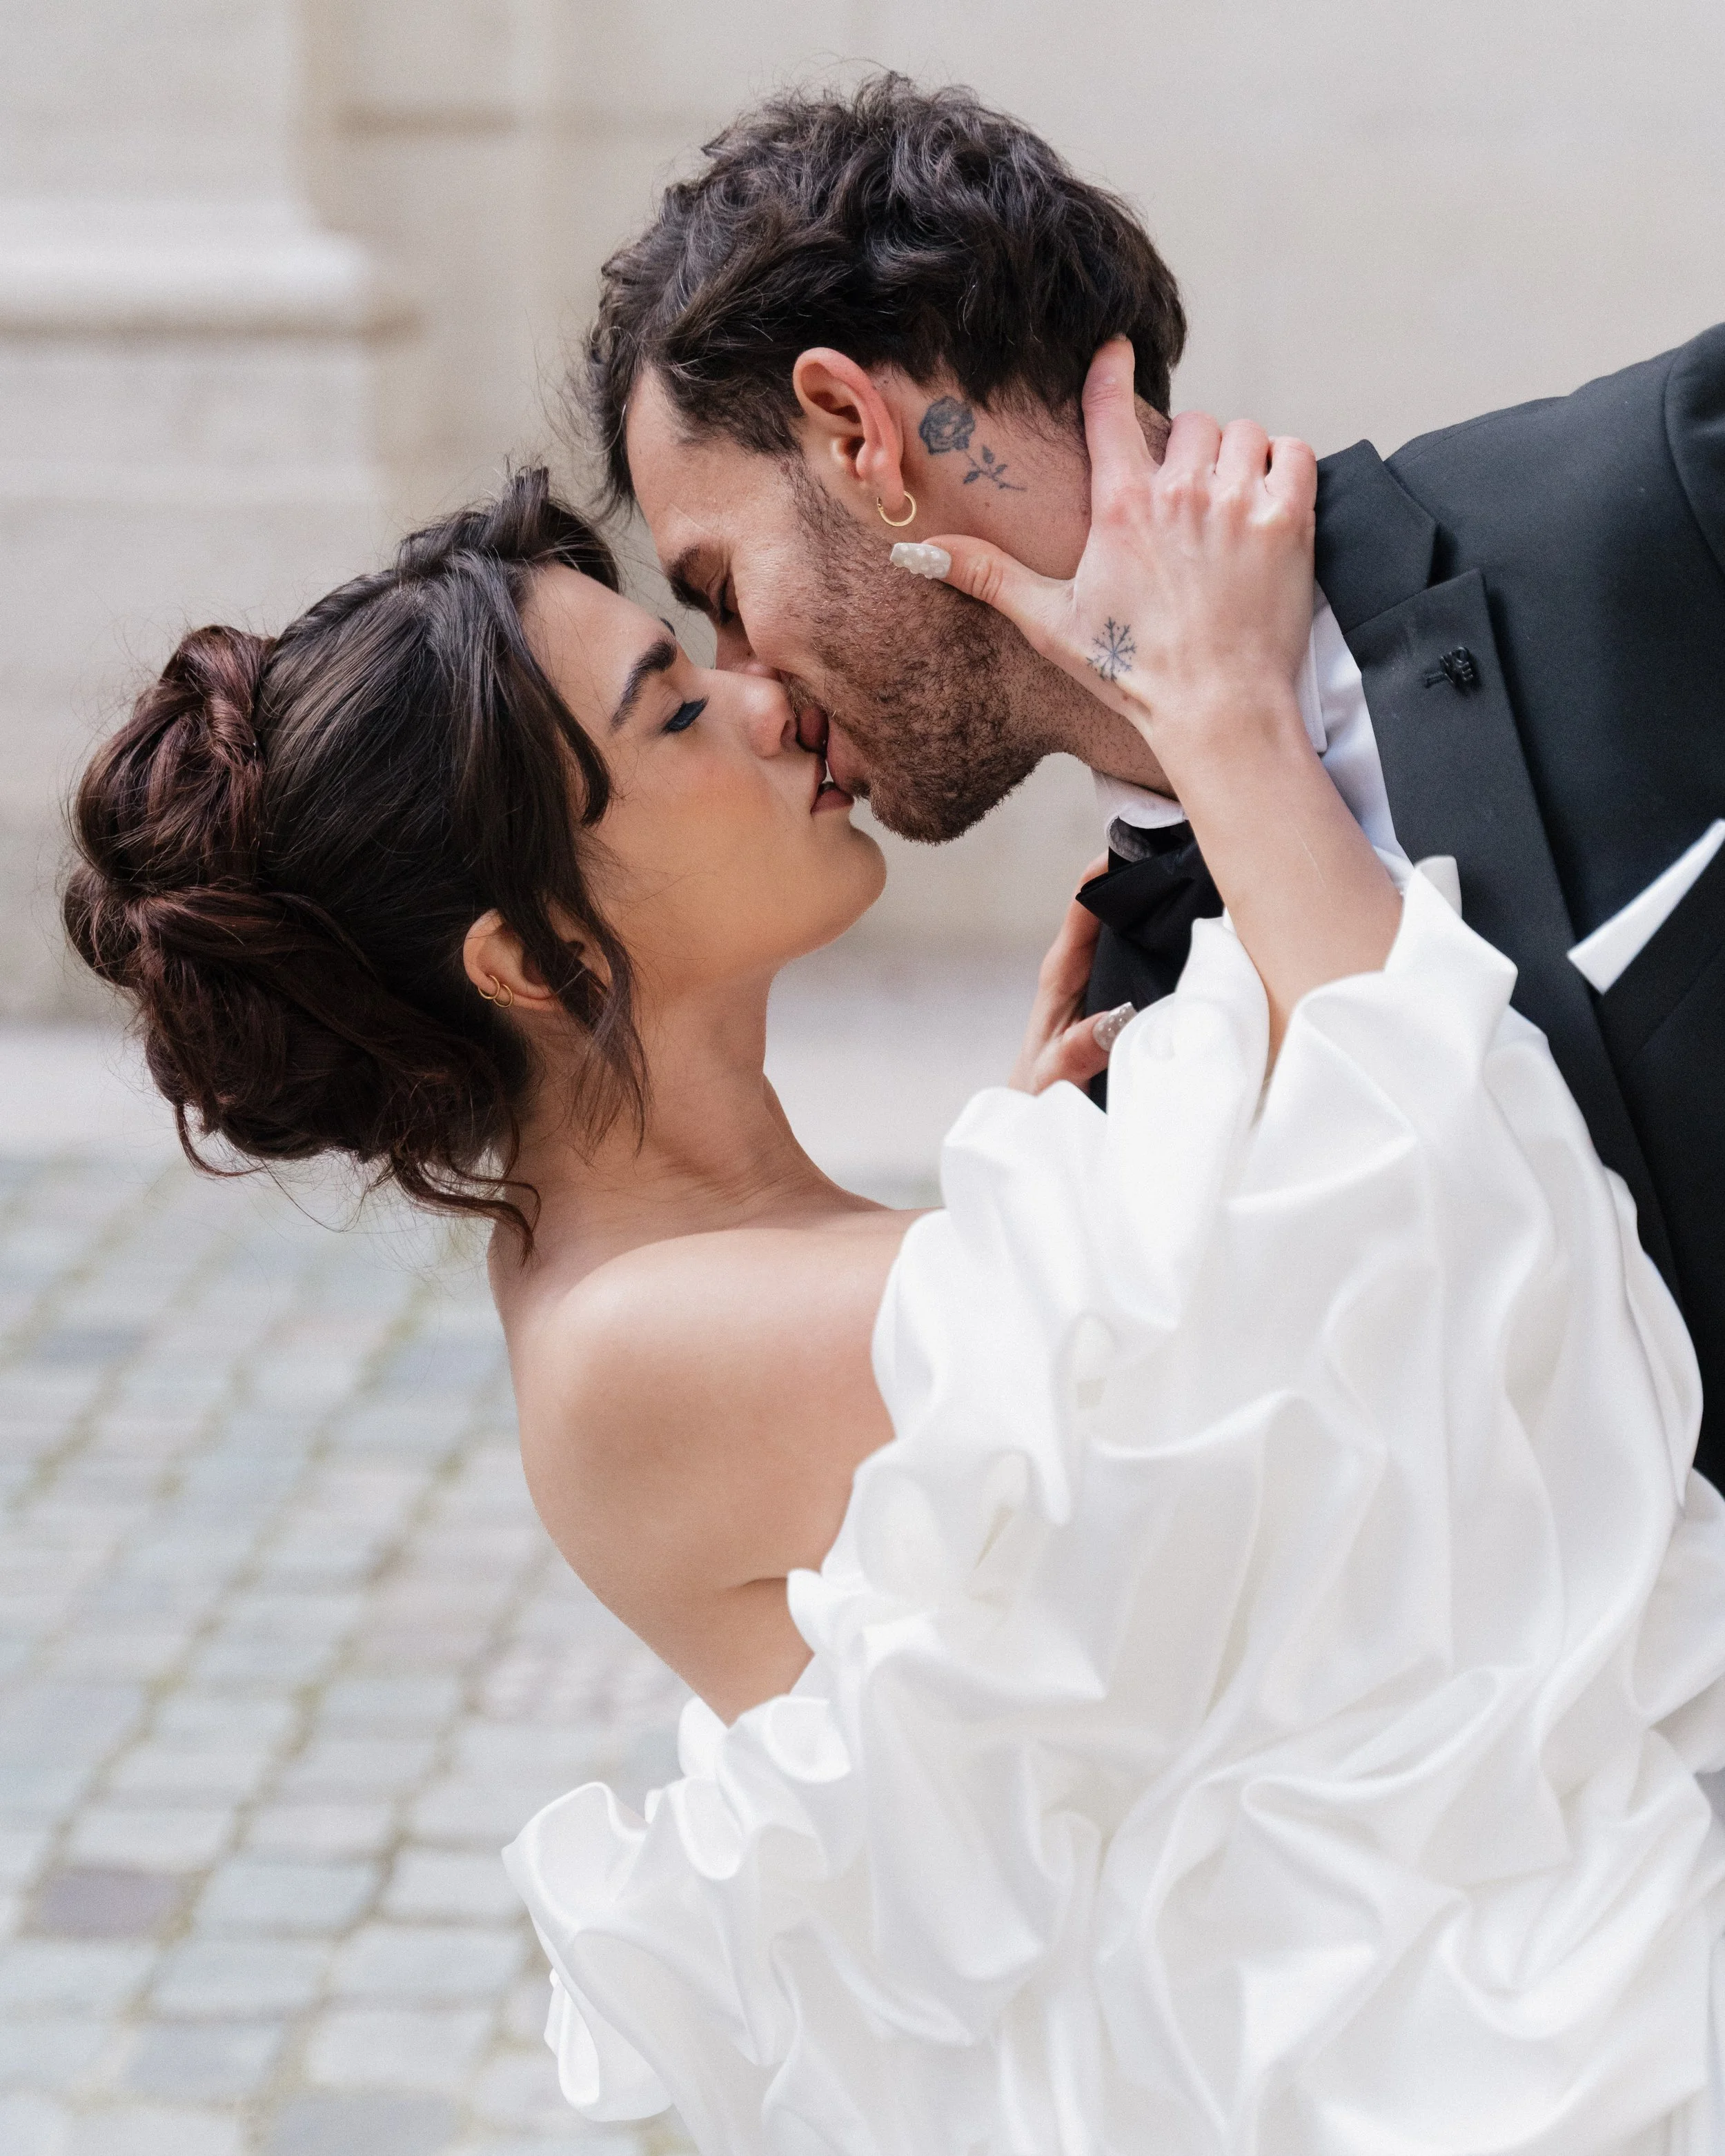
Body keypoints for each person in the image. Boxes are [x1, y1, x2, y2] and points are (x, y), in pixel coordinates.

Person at [63, 360, 1725, 2147]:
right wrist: (1221, 720)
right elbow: (1451, 1252)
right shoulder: (629, 1349)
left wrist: (1044, 1182)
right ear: (538, 960)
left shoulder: (704, 1258)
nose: (764, 700)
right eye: (673, 710)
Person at [586, 73, 1725, 1481]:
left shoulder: (1652, 505)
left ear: (854, 433)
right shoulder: (1119, 1066)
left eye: (721, 590)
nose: (746, 680)